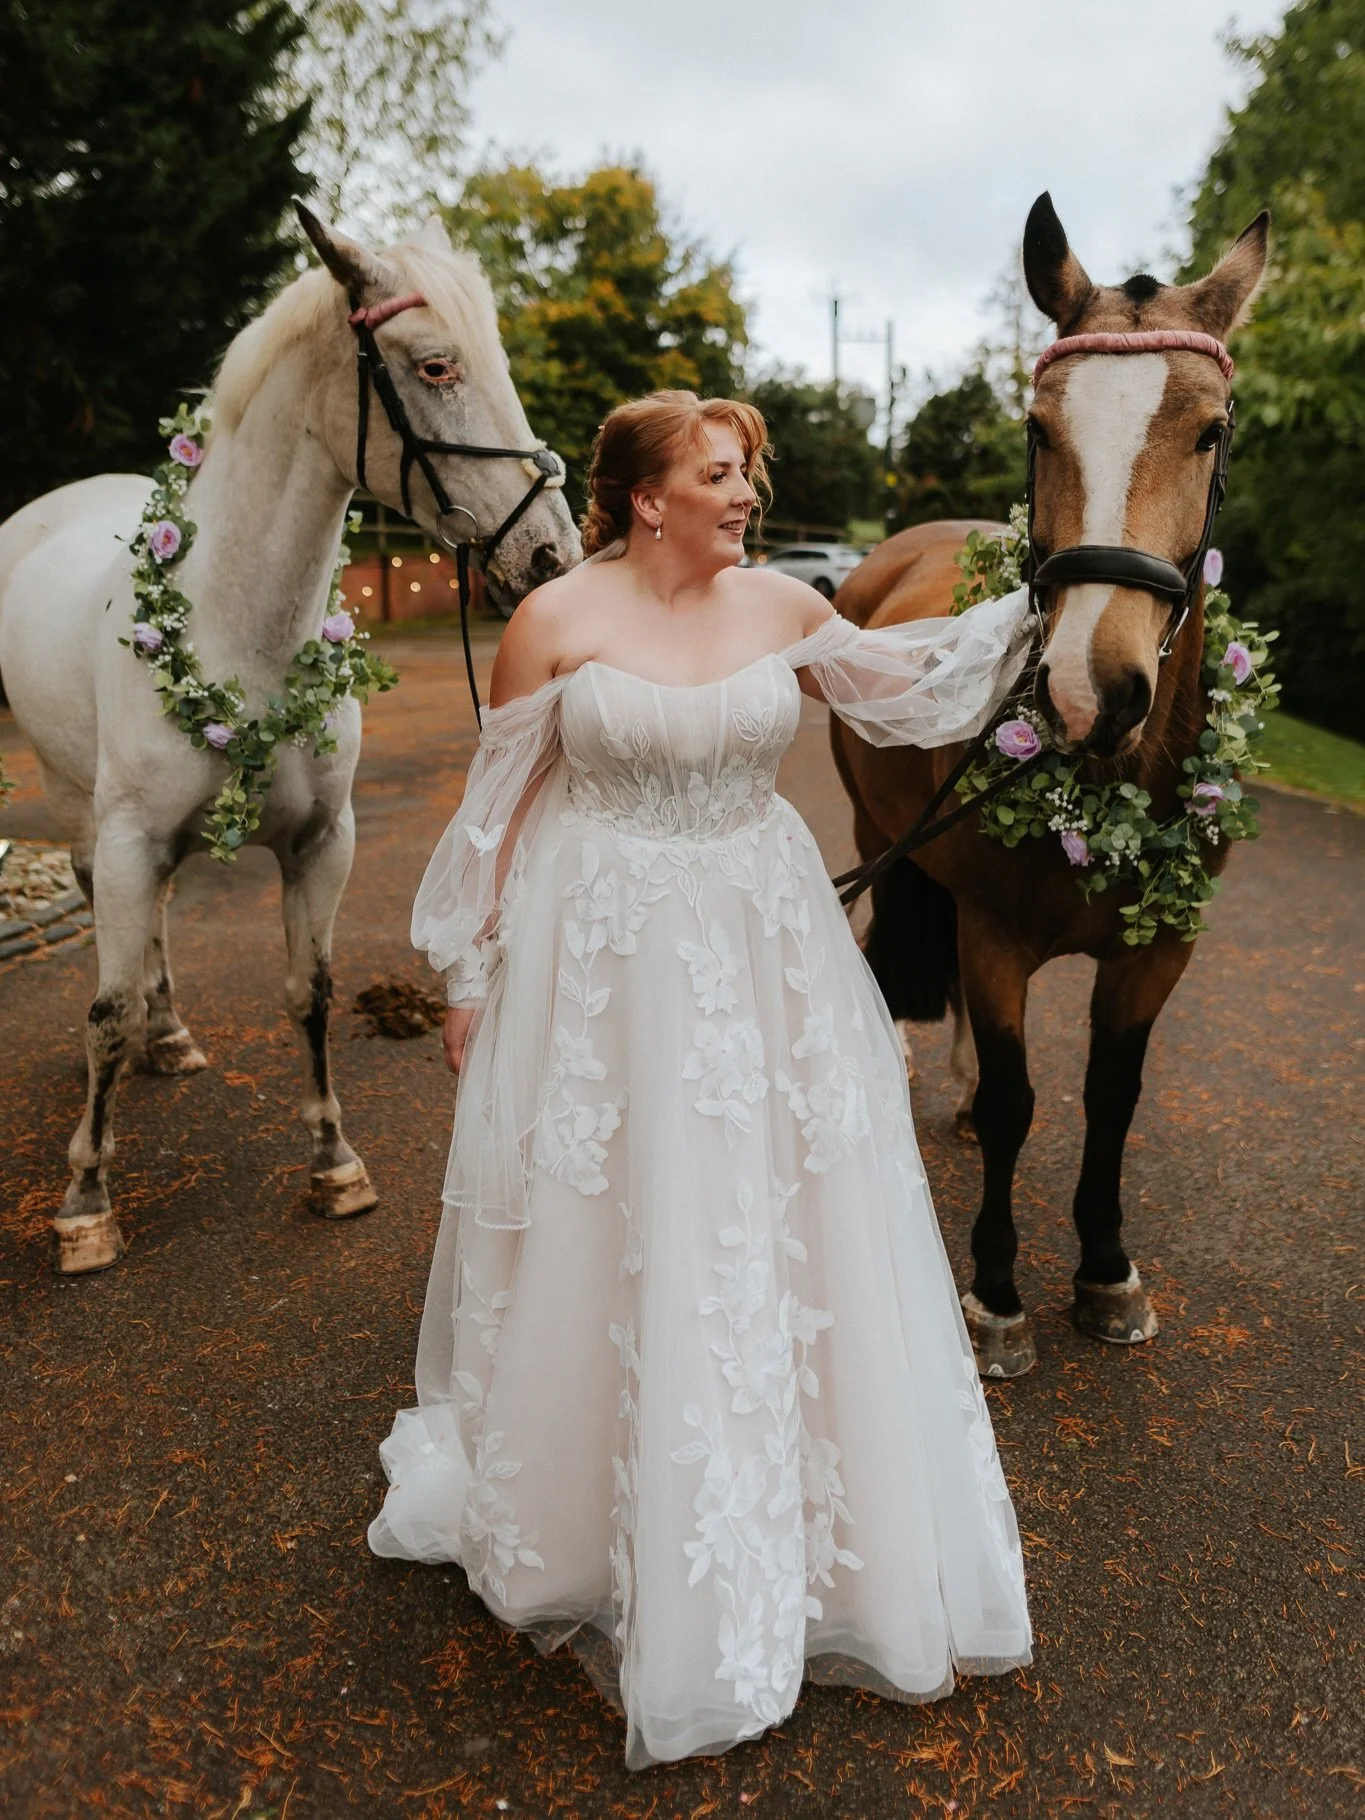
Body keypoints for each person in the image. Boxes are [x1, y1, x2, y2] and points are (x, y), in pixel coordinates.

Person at [369, 390, 1034, 1769]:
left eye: (750, 474)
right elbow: (497, 815)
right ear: (642, 496)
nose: (747, 495)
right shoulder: (556, 624)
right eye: (722, 475)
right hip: (603, 959)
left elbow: (919, 691)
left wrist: (1046, 614)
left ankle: (812, 1542)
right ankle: (587, 1518)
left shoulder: (787, 612)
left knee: (786, 1223)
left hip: (763, 952)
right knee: (613, 1222)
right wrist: (470, 977)